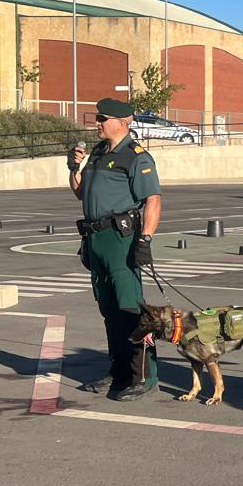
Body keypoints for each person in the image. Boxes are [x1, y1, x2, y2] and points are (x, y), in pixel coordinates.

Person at [70, 97, 162, 400]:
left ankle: (144, 376)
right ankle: (119, 371)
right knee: (108, 309)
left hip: (121, 239)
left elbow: (153, 201)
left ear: (123, 122)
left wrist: (145, 239)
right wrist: (74, 167)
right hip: (96, 239)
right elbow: (80, 191)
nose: (97, 123)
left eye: (102, 118)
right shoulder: (98, 153)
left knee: (131, 308)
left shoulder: (136, 157)